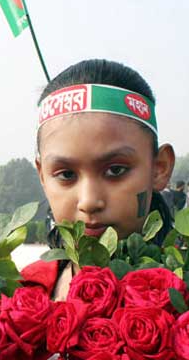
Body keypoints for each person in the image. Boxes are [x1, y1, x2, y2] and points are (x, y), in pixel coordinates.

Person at [21, 59, 175, 299]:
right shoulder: (22, 294)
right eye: (66, 175)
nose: (89, 201)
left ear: (159, 168)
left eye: (115, 171)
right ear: (42, 175)